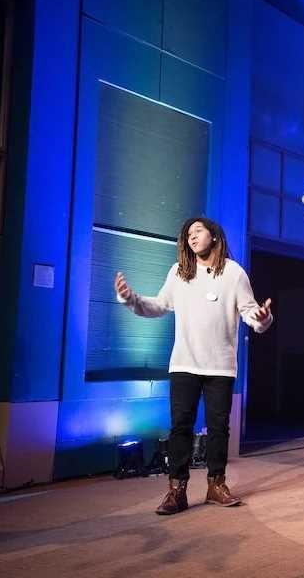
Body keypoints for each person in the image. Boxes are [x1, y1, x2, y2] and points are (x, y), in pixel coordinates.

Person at [114, 217, 273, 514]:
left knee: (218, 429)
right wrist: (130, 299)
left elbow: (252, 313)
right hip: (184, 363)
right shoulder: (179, 273)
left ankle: (216, 485)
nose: (192, 236)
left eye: (198, 231)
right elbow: (157, 305)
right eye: (188, 234)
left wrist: (262, 319)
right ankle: (177, 491)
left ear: (215, 236)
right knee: (180, 427)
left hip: (220, 367)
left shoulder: (234, 273)